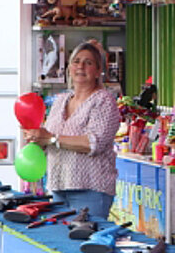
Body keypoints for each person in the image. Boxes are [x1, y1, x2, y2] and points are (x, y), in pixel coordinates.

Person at [22, 40, 122, 219]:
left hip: (91, 190)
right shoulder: (61, 100)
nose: (81, 66)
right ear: (69, 67)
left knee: (84, 243)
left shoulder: (104, 101)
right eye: (76, 61)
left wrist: (51, 138)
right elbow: (48, 138)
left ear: (99, 71)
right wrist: (37, 138)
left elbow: (94, 143)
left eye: (88, 62)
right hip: (59, 187)